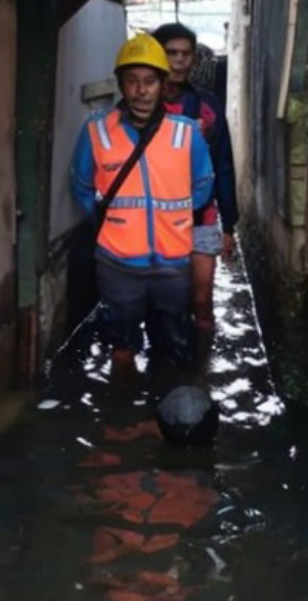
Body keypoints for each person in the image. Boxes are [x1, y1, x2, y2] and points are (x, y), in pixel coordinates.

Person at [71, 34, 214, 380]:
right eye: (132, 81)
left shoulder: (185, 134)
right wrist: (118, 223)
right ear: (121, 84)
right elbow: (81, 186)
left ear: (163, 85)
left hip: (172, 265)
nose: (141, 90)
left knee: (173, 349)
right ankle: (123, 417)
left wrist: (173, 220)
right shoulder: (97, 131)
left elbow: (202, 185)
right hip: (117, 265)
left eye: (150, 81)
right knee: (121, 350)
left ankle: (165, 418)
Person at [152, 23, 239, 355]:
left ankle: (201, 372)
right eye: (171, 53)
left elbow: (224, 165)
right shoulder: (141, 106)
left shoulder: (207, 107)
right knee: (162, 305)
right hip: (154, 222)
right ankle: (164, 369)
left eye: (185, 54)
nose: (179, 61)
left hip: (201, 217)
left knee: (202, 301)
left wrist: (228, 225)